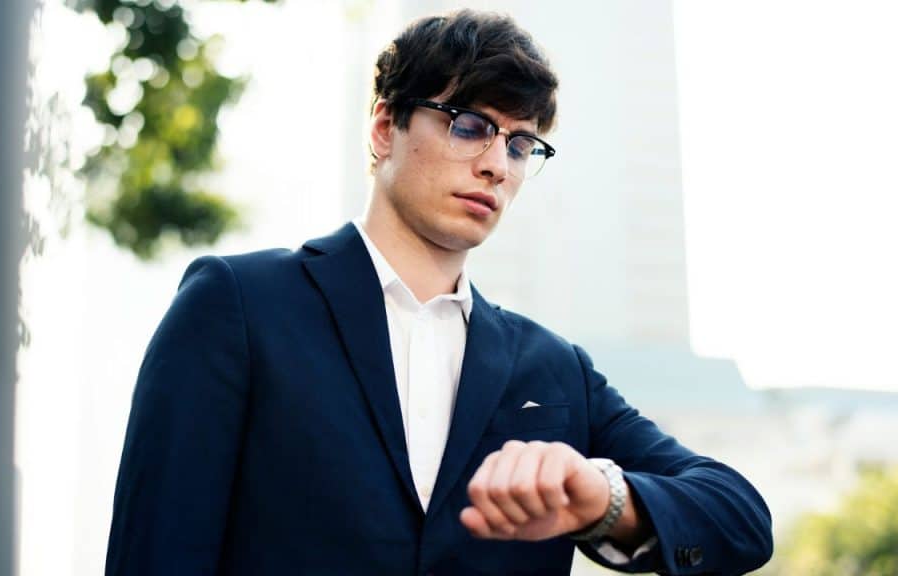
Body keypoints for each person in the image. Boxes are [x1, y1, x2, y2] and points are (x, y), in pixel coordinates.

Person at [105, 9, 772, 576]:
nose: (495, 164)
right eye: (469, 124)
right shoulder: (239, 306)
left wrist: (604, 499)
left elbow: (739, 517)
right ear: (384, 126)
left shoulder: (554, 368)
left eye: (520, 144)